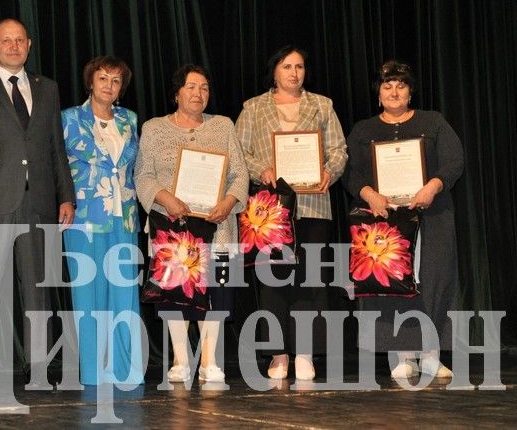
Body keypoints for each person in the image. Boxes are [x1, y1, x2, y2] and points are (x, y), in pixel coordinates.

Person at [0, 18, 76, 389]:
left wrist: (65, 195)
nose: (13, 46)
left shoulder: (48, 88)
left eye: (19, 40)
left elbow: (56, 148)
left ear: (29, 44)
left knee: (37, 286)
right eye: (5, 40)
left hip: (37, 202)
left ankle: (38, 364)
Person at [235, 45, 348, 381]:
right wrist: (262, 170)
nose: (294, 73)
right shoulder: (253, 108)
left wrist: (330, 171)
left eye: (299, 66)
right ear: (274, 71)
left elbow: (339, 150)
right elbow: (239, 154)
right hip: (271, 210)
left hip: (314, 204)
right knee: (273, 280)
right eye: (287, 66)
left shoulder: (322, 105)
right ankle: (278, 353)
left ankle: (305, 353)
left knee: (310, 279)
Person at [344, 60, 463, 379]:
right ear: (378, 93)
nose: (394, 92)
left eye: (401, 85)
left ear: (410, 91)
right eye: (387, 86)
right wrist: (370, 195)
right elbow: (351, 175)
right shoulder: (364, 130)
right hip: (384, 221)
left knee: (433, 281)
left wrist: (432, 187)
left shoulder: (433, 121)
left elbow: (454, 161)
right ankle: (402, 356)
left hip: (431, 215)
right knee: (391, 285)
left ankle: (431, 355)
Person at [135, 64, 248, 383]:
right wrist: (166, 200)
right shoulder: (154, 128)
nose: (199, 93)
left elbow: (239, 174)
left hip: (219, 229)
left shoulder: (223, 125)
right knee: (175, 293)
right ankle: (181, 360)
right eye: (191, 86)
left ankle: (210, 361)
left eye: (204, 87)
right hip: (172, 229)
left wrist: (228, 203)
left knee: (218, 292)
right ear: (176, 93)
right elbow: (142, 175)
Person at [60, 56, 143, 385]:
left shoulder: (129, 119)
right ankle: (95, 372)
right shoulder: (69, 118)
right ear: (90, 82)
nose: (109, 85)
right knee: (89, 296)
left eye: (116, 80)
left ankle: (126, 370)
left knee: (124, 293)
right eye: (103, 78)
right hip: (84, 217)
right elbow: (57, 168)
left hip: (124, 217)